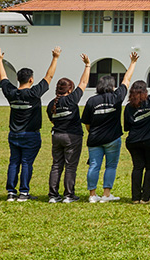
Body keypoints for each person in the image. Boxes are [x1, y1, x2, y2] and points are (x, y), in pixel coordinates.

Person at [0, 47, 60, 202]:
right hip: (30, 135)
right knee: (26, 163)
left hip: (14, 134)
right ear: (31, 80)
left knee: (14, 162)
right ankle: (24, 193)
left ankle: (11, 193)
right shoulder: (34, 93)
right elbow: (49, 76)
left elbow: (3, 77)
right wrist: (55, 58)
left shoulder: (11, 92)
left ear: (18, 79)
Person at [81, 51, 138, 203]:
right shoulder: (116, 97)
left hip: (94, 139)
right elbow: (126, 80)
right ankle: (106, 195)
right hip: (113, 139)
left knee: (94, 166)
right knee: (111, 166)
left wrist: (93, 132)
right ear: (112, 86)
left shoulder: (92, 101)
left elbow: (87, 123)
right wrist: (133, 62)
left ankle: (92, 195)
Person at [46, 53, 91, 203]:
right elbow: (83, 82)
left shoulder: (51, 104)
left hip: (57, 136)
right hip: (72, 137)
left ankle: (53, 195)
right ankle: (68, 195)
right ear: (70, 89)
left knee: (56, 165)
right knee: (70, 166)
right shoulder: (72, 99)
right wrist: (87, 65)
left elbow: (52, 120)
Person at [124, 49, 150, 204]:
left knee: (137, 168)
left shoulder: (128, 107)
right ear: (145, 91)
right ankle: (145, 198)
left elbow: (127, 127)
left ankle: (135, 198)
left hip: (134, 142)